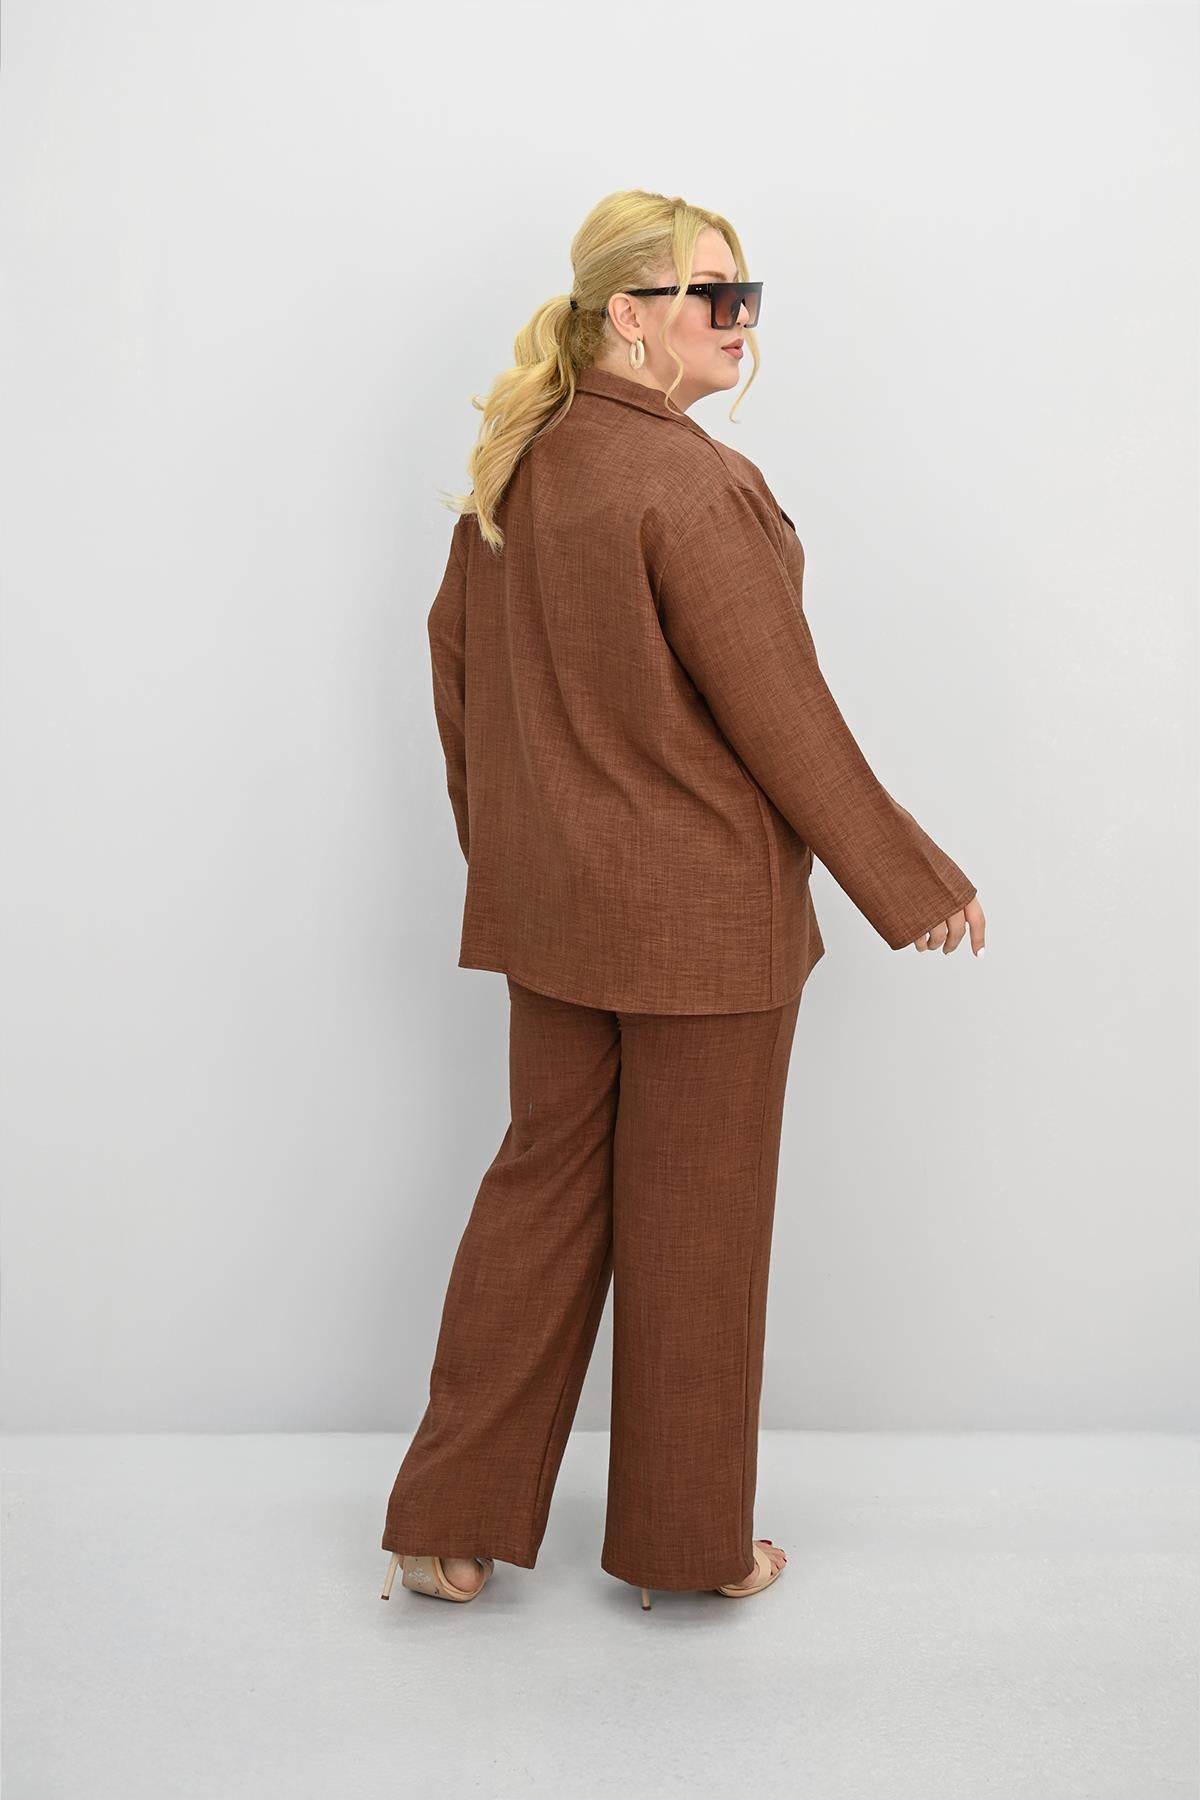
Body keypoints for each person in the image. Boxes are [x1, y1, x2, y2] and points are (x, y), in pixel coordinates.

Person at [379, 187, 986, 1613]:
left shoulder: (518, 470)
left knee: (539, 1196)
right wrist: (909, 879)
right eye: (716, 296)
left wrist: (515, 860)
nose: (740, 323)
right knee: (696, 1227)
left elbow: (460, 688)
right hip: (707, 929)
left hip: (558, 920)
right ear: (631, 315)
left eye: (746, 296)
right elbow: (783, 715)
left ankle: (445, 1523)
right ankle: (686, 1544)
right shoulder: (689, 483)